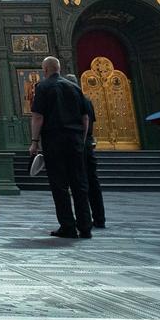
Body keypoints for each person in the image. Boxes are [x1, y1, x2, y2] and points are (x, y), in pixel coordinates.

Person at [29, 57, 91, 239]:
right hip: (75, 140)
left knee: (59, 185)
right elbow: (85, 117)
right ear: (59, 68)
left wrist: (34, 141)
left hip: (54, 140)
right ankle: (85, 226)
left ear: (45, 70)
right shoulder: (74, 87)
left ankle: (68, 226)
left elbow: (38, 116)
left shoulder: (43, 87)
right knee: (79, 184)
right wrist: (82, 138)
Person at [66, 73, 105, 229]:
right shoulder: (86, 100)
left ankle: (84, 220)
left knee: (80, 183)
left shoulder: (74, 100)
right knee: (92, 182)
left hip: (79, 144)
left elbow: (85, 121)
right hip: (87, 143)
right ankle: (99, 218)